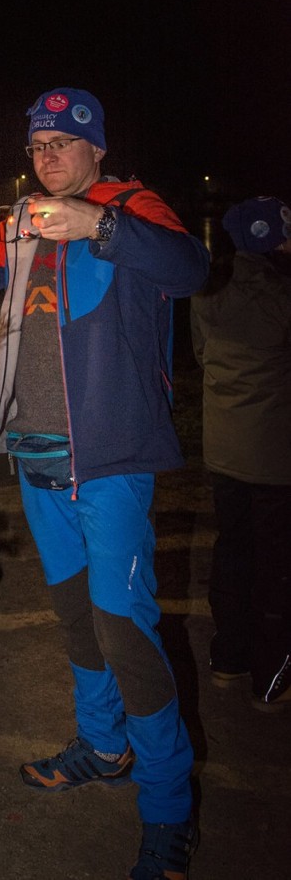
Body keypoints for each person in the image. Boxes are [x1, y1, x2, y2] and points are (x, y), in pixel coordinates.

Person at [0, 87, 209, 880]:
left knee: (126, 631)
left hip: (111, 459)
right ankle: (102, 745)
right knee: (76, 619)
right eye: (37, 145)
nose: (47, 156)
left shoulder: (132, 204)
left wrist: (104, 224)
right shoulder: (22, 222)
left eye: (62, 141)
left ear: (96, 149)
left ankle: (168, 808)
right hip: (36, 454)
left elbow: (190, 270)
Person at [190, 195, 291, 709]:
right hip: (275, 457)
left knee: (231, 549)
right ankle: (271, 672)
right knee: (275, 561)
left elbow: (202, 354)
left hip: (224, 452)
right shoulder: (281, 295)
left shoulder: (207, 293)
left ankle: (229, 657)